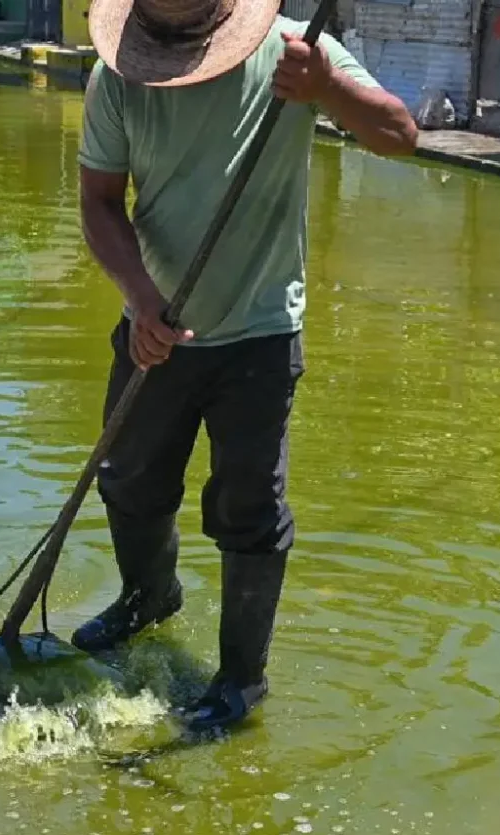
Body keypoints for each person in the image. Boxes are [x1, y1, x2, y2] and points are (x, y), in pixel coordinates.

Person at [71, 0, 417, 733]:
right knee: (129, 480)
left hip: (260, 333)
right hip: (154, 328)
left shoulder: (294, 53)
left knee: (250, 509)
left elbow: (400, 135)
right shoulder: (116, 79)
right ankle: (148, 596)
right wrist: (141, 300)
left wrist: (327, 88)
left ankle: (240, 679)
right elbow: (99, 202)